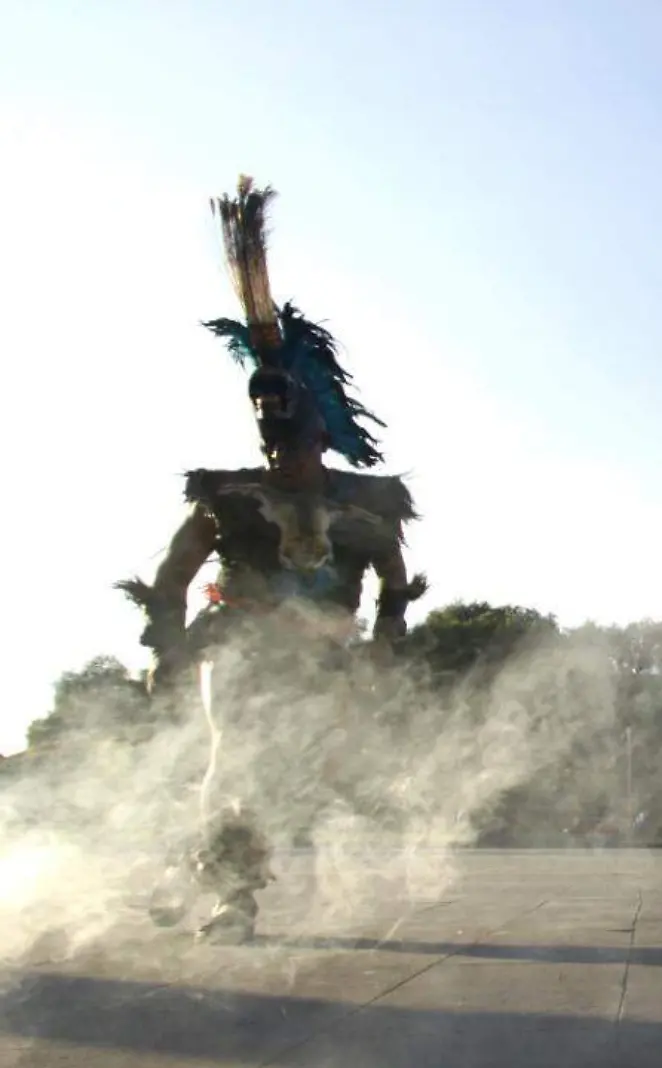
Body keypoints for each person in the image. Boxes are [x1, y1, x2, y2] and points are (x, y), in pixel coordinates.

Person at [121, 177, 426, 944]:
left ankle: (185, 871)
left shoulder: (365, 506)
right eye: (270, 437)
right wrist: (169, 638)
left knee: (306, 771)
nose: (278, 448)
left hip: (322, 656)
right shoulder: (230, 498)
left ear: (322, 438)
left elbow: (392, 572)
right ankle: (232, 895)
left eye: (292, 436)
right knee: (236, 756)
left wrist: (388, 634)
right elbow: (176, 571)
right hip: (243, 640)